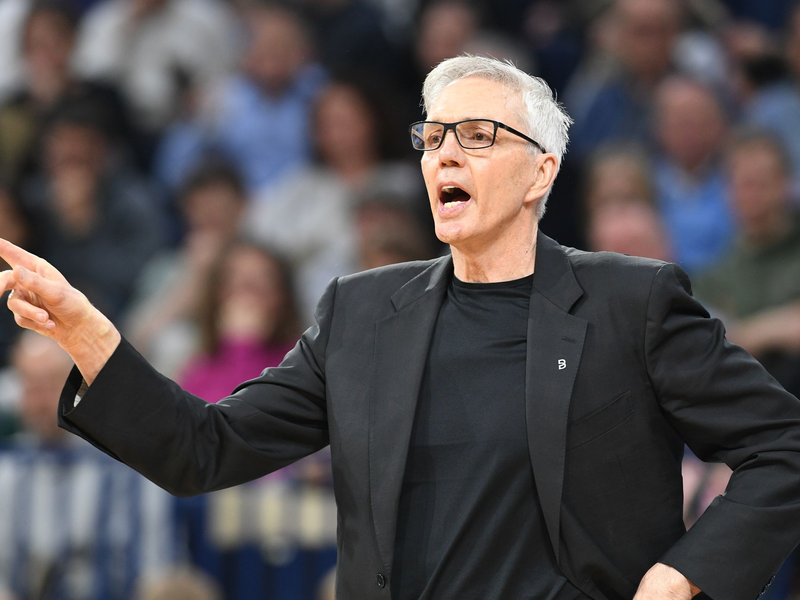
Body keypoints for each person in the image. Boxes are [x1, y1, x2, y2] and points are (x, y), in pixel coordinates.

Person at [1, 55, 800, 600]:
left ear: (541, 172)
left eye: (477, 136)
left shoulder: (633, 302)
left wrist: (683, 575)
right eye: (433, 136)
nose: (445, 153)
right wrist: (87, 334)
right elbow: (203, 449)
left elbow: (783, 448)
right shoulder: (361, 314)